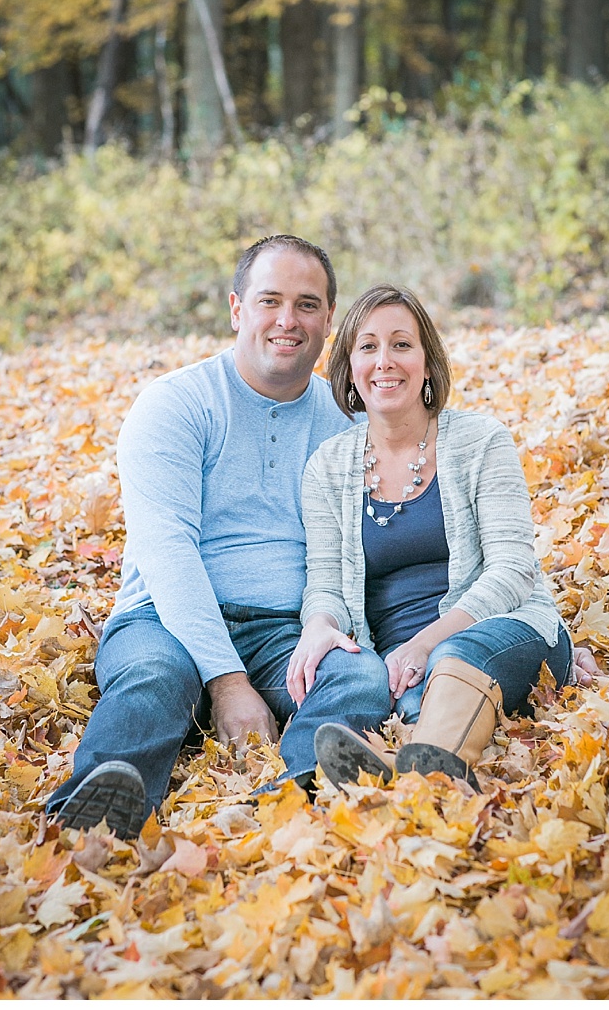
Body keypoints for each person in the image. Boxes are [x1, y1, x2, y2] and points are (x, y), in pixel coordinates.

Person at [45, 235, 395, 839]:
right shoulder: (175, 406)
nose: (288, 321)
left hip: (285, 628)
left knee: (359, 675)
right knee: (154, 681)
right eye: (270, 301)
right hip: (163, 620)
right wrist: (227, 682)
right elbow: (167, 553)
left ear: (329, 320)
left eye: (307, 305)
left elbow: (382, 542)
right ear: (237, 309)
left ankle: (301, 792)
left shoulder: (346, 425)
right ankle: (97, 814)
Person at [290, 284, 571, 790]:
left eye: (402, 344)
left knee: (450, 660)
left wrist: (424, 645)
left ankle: (429, 781)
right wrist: (319, 624)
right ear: (349, 366)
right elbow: (325, 583)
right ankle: (356, 783)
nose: (385, 361)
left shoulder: (482, 441)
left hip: (501, 628)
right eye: (368, 347)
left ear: (426, 360)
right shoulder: (327, 467)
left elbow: (513, 569)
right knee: (406, 700)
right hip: (396, 658)